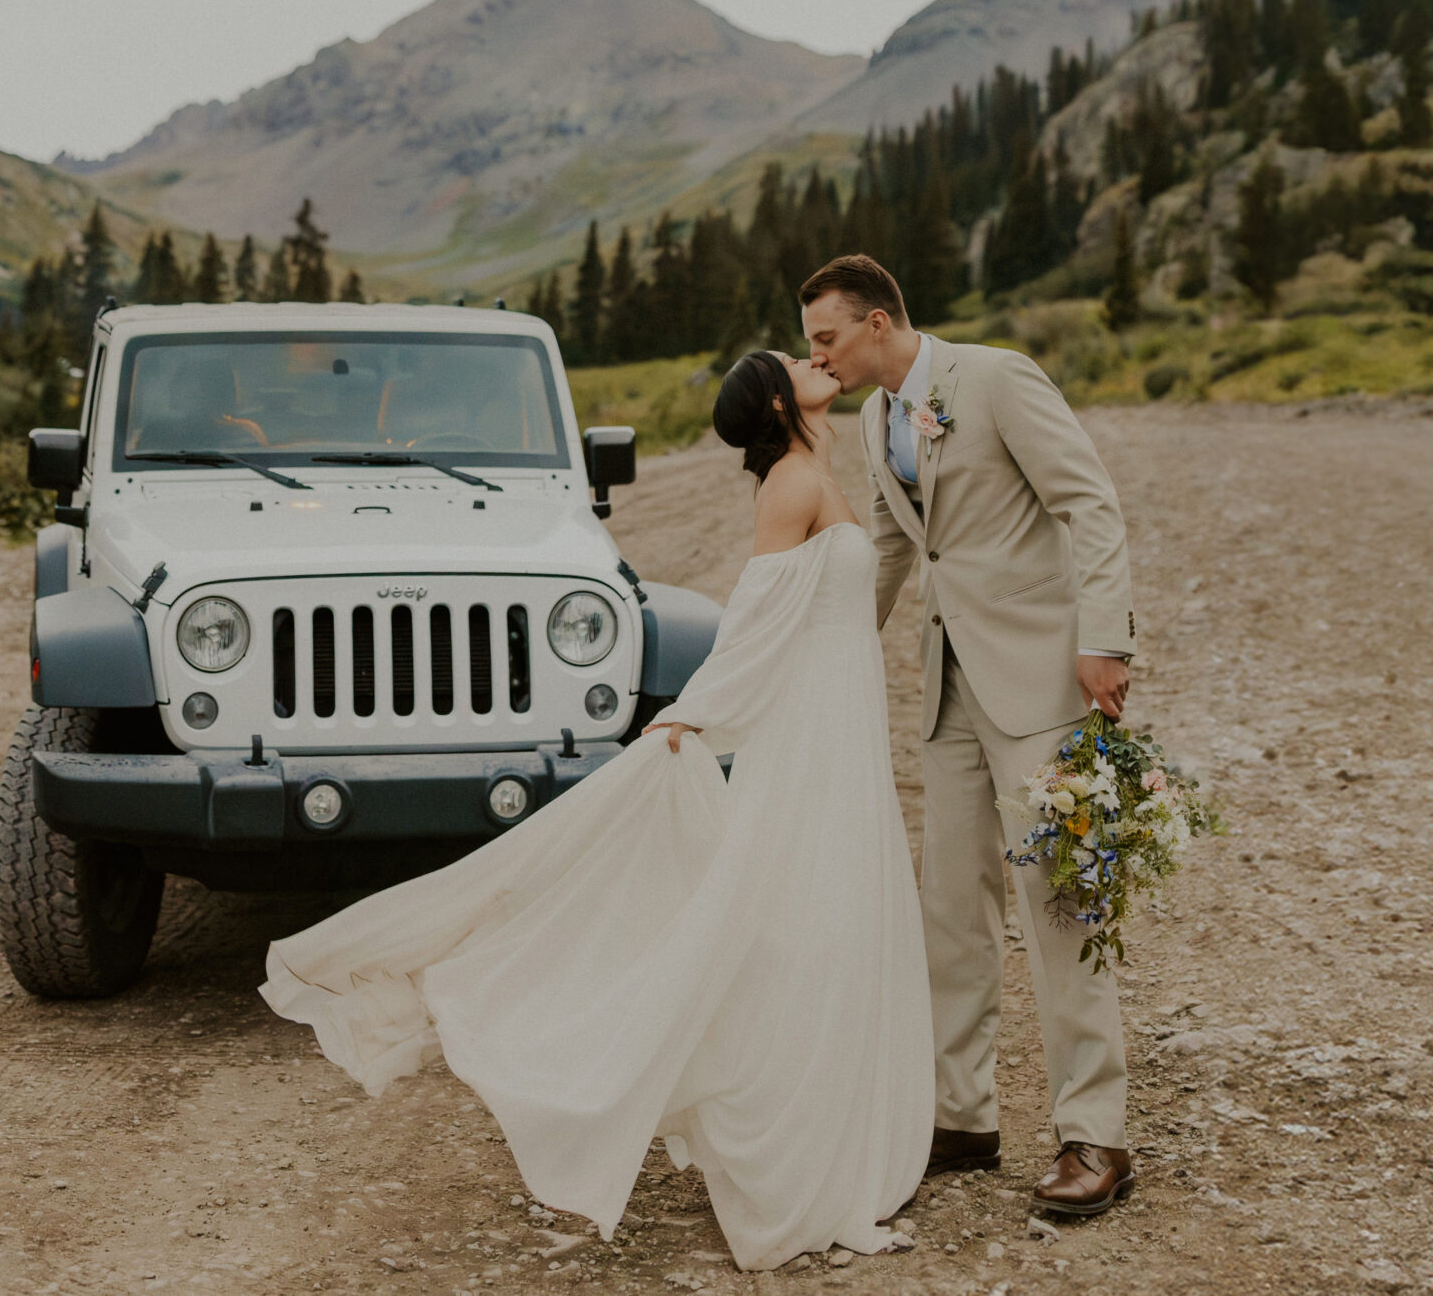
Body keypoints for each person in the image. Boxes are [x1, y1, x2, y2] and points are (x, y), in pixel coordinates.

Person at [259, 350, 932, 1270]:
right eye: (798, 359)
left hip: (842, 727)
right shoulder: (791, 484)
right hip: (810, 738)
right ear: (780, 399)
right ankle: (785, 1163)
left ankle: (833, 1145)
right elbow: (752, 624)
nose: (819, 358)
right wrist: (693, 715)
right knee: (795, 928)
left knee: (830, 927)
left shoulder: (817, 468)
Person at [799, 253, 1140, 1219]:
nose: (814, 356)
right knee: (950, 908)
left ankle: (1096, 1133)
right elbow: (901, 543)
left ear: (875, 323)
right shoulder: (874, 417)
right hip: (948, 692)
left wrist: (1105, 639)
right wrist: (829, 647)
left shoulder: (994, 379)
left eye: (825, 337)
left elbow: (1091, 502)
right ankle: (962, 1115)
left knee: (1063, 903)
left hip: (1041, 681)